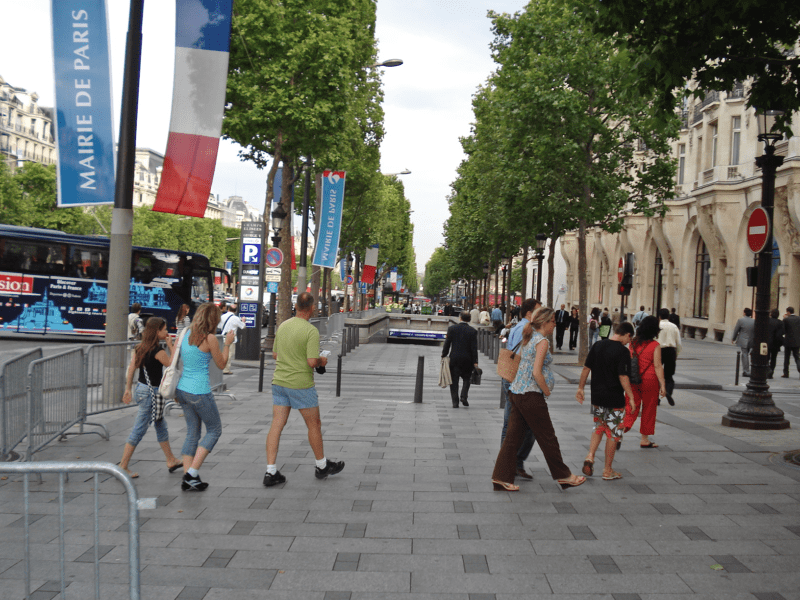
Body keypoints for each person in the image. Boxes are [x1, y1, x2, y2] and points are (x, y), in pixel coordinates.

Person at [492, 308, 586, 491]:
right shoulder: (541, 341)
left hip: (517, 392)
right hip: (531, 394)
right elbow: (536, 372)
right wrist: (546, 391)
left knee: (512, 438)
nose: (555, 325)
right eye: (553, 321)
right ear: (545, 322)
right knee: (547, 437)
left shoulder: (529, 336)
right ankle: (564, 476)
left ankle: (501, 477)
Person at [264, 292, 344, 486]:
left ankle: (270, 471)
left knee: (277, 425)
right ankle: (321, 465)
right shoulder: (310, 331)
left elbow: (275, 354)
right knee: (314, 424)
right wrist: (321, 360)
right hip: (300, 384)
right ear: (311, 308)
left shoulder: (283, 326)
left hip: (279, 383)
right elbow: (311, 362)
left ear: (296, 306)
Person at [175, 303, 235, 491]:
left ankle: (188, 478)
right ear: (212, 319)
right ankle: (191, 473)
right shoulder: (209, 339)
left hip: (182, 389)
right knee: (214, 430)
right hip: (199, 391)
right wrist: (227, 344)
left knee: (192, 432)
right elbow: (222, 364)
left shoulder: (185, 333)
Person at [118, 317, 183, 478]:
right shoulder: (157, 351)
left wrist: (128, 389)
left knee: (160, 424)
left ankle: (171, 459)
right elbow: (171, 365)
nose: (167, 332)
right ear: (157, 331)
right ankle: (123, 465)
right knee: (139, 429)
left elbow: (132, 368)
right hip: (151, 393)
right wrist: (170, 345)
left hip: (142, 389)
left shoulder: (141, 347)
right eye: (165, 329)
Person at [575, 322, 635, 481]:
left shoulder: (598, 345)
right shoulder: (623, 351)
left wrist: (581, 388)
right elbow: (623, 376)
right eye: (630, 339)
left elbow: (586, 369)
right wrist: (631, 397)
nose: (629, 342)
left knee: (599, 426)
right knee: (614, 433)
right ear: (627, 334)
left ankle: (590, 456)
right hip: (614, 397)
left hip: (597, 397)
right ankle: (607, 470)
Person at [500, 298, 540, 480]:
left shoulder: (520, 327)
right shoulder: (525, 329)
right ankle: (511, 462)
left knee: (514, 422)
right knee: (520, 423)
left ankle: (512, 462)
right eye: (539, 311)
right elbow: (522, 356)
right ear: (529, 313)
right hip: (517, 379)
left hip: (512, 377)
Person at [622, 316, 667, 448]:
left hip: (633, 378)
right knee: (649, 408)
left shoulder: (633, 343)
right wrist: (663, 384)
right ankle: (644, 439)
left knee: (631, 405)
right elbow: (658, 366)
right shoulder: (655, 345)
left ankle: (621, 430)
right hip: (650, 380)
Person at [442, 311, 479, 408]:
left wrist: (444, 355)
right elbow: (474, 348)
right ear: (469, 319)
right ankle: (464, 396)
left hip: (454, 358)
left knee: (454, 380)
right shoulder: (473, 331)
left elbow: (447, 343)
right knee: (467, 379)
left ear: (460, 318)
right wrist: (475, 361)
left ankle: (455, 402)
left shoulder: (452, 329)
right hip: (468, 359)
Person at [657, 308, 681, 406]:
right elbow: (678, 342)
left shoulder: (657, 325)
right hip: (671, 350)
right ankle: (668, 392)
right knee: (669, 375)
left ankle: (656, 398)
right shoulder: (674, 326)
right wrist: (676, 354)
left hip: (658, 350)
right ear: (669, 316)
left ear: (659, 316)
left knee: (656, 374)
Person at [219, 302, 245, 375]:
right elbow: (243, 326)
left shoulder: (222, 316)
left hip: (222, 337)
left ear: (228, 309)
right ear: (235, 311)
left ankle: (221, 368)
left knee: (222, 353)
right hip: (231, 338)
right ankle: (226, 369)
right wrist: (243, 321)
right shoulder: (236, 318)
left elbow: (219, 326)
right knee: (229, 354)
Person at [731, 308, 755, 377]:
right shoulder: (754, 321)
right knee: (746, 354)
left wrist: (733, 338)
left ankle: (746, 370)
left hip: (743, 340)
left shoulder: (741, 320)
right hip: (751, 340)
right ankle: (747, 370)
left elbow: (736, 330)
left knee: (745, 354)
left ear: (744, 313)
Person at [783, 306, 800, 378]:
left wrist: (784, 318)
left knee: (787, 357)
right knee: (797, 357)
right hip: (797, 341)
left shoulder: (786, 319)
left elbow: (783, 330)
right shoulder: (799, 318)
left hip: (788, 341)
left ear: (788, 312)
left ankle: (786, 373)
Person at [768, 308, 784, 379]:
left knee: (766, 358)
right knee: (773, 358)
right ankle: (771, 372)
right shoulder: (780, 323)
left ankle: (767, 370)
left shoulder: (767, 320)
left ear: (771, 314)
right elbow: (782, 333)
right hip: (776, 343)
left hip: (767, 343)